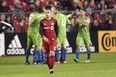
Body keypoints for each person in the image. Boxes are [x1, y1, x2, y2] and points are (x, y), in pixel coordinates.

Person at [40, 5, 58, 74]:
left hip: (52, 40)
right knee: (47, 55)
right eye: (46, 12)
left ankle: (51, 69)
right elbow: (40, 31)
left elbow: (57, 30)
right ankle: (50, 68)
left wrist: (57, 38)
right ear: (45, 13)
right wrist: (43, 37)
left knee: (52, 53)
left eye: (48, 12)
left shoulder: (54, 21)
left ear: (51, 13)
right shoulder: (42, 21)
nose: (47, 14)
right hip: (45, 41)